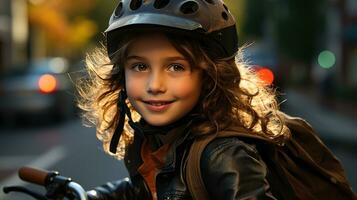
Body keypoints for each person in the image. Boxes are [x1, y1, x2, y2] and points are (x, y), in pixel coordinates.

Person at [76, 0, 345, 199]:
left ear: (209, 77)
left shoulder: (222, 155)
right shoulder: (154, 142)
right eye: (140, 66)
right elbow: (147, 190)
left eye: (176, 67)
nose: (154, 85)